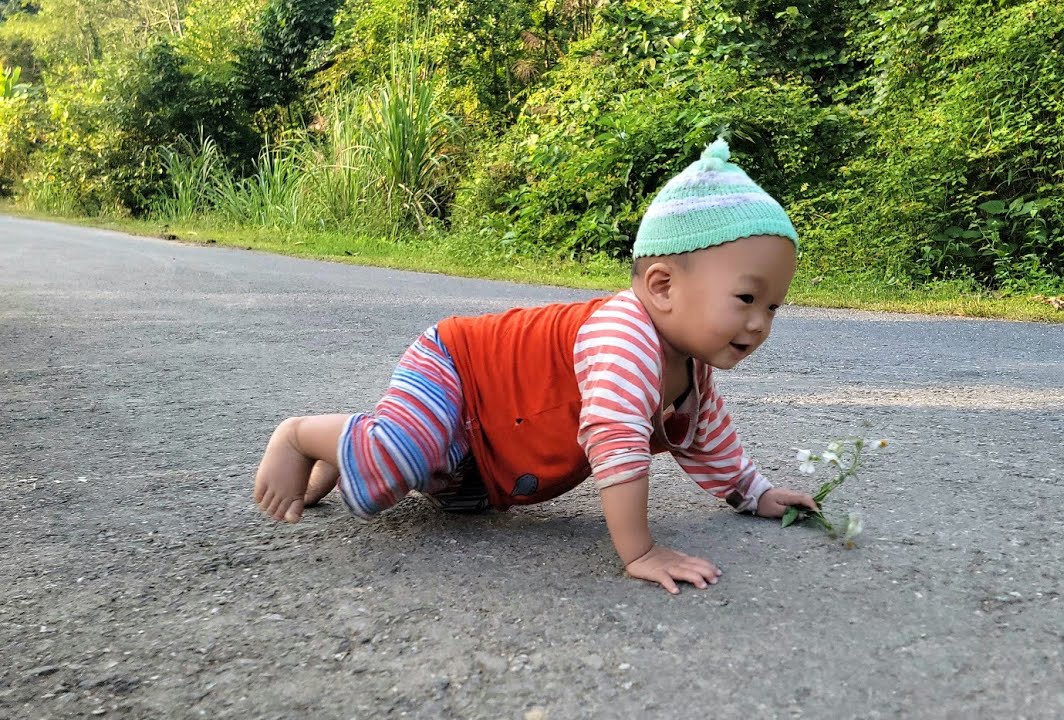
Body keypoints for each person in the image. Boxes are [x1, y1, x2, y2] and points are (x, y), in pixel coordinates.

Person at [253, 138, 818, 594]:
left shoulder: (692, 369)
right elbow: (615, 440)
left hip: (490, 452)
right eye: (746, 299)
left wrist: (756, 492)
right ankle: (303, 437)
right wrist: (640, 550)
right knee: (395, 462)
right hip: (459, 373)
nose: (759, 323)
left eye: (773, 306)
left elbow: (706, 438)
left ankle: (349, 450)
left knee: (430, 493)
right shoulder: (624, 337)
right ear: (663, 286)